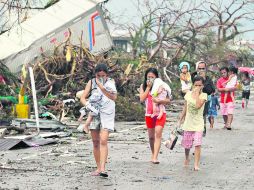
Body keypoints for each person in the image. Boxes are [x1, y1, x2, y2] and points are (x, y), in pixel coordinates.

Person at [80, 63, 117, 177]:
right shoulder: (91, 82)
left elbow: (114, 97)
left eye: (103, 75)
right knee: (95, 142)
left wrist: (102, 88)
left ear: (106, 75)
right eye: (98, 75)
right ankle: (98, 167)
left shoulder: (110, 83)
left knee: (103, 140)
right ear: (95, 74)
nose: (101, 77)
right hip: (94, 112)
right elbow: (83, 97)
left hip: (107, 113)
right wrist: (88, 105)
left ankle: (103, 168)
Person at [139, 68, 170, 164]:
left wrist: (159, 101)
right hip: (149, 114)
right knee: (151, 137)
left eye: (152, 77)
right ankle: (153, 153)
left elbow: (168, 100)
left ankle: (155, 157)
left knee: (158, 132)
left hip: (161, 113)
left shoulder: (162, 86)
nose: (150, 79)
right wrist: (148, 87)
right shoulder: (143, 86)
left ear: (156, 77)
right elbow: (141, 99)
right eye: (148, 77)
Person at [179, 76, 207, 171]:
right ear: (193, 85)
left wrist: (197, 94)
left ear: (202, 86)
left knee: (197, 144)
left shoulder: (204, 96)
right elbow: (185, 107)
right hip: (188, 123)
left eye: (200, 85)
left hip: (198, 124)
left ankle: (196, 164)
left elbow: (198, 106)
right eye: (196, 85)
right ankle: (187, 158)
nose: (198, 87)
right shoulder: (188, 95)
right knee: (187, 145)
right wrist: (181, 118)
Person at [191, 61, 215, 137]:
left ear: (205, 69)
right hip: (193, 100)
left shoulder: (208, 79)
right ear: (197, 68)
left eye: (203, 68)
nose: (201, 70)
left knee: (202, 115)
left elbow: (211, 90)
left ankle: (202, 131)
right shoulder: (193, 76)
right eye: (199, 68)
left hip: (204, 101)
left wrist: (204, 79)